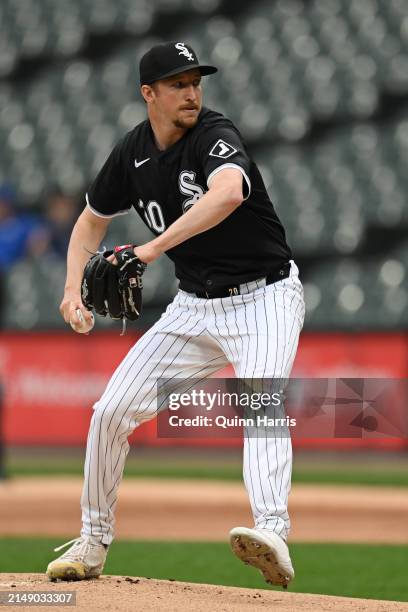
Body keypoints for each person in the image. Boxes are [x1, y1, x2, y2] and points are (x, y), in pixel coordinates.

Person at [46, 41, 305, 588]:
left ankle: (272, 531)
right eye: (177, 84)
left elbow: (229, 193)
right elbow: (91, 221)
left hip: (265, 298)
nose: (191, 92)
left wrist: (149, 248)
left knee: (260, 403)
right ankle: (92, 543)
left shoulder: (214, 134)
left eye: (195, 82)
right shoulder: (132, 153)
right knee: (110, 412)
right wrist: (72, 290)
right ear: (149, 94)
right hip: (194, 307)